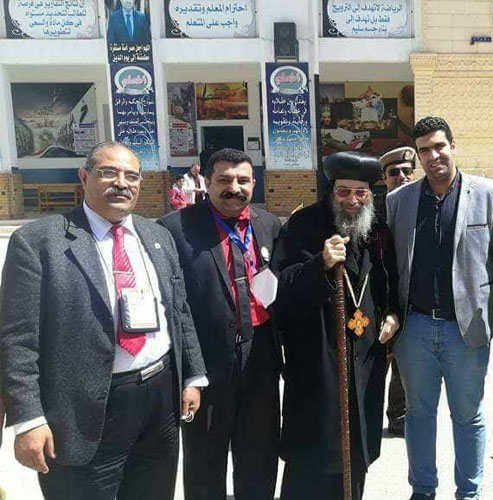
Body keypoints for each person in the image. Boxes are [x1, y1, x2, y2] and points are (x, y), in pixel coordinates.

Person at [0, 141, 207, 500]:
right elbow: (17, 338)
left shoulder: (157, 235)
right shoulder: (38, 242)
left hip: (159, 399)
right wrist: (29, 419)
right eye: (108, 173)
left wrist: (193, 375)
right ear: (84, 176)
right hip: (82, 407)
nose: (121, 183)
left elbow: (178, 309)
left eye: (132, 176)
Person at [386, 116, 493, 500]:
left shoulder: (491, 194)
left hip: (467, 330)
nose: (433, 156)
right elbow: (389, 266)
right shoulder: (399, 201)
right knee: (418, 416)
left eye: (439, 146)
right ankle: (422, 491)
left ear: (453, 146)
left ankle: (469, 493)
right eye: (424, 150)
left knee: (467, 416)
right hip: (414, 329)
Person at [275, 151, 401, 500]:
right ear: (331, 191)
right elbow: (279, 290)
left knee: (355, 447)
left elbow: (391, 284)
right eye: (344, 191)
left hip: (364, 359)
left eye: (361, 193)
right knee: (315, 449)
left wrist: (393, 314)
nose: (352, 200)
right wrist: (320, 264)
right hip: (317, 358)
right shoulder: (301, 226)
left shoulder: (377, 232)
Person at [158, 148, 282, 500]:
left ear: (254, 183)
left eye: (243, 180)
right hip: (207, 361)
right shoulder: (174, 229)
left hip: (260, 358)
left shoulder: (269, 225)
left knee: (259, 456)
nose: (234, 188)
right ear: (207, 183)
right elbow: (171, 306)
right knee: (204, 461)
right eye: (224, 180)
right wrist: (188, 372)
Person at [377, 145, 416, 436]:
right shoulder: (372, 209)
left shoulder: (421, 204)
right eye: (394, 172)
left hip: (409, 298)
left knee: (405, 362)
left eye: (406, 171)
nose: (401, 176)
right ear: (384, 178)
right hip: (378, 298)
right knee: (375, 363)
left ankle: (399, 415)